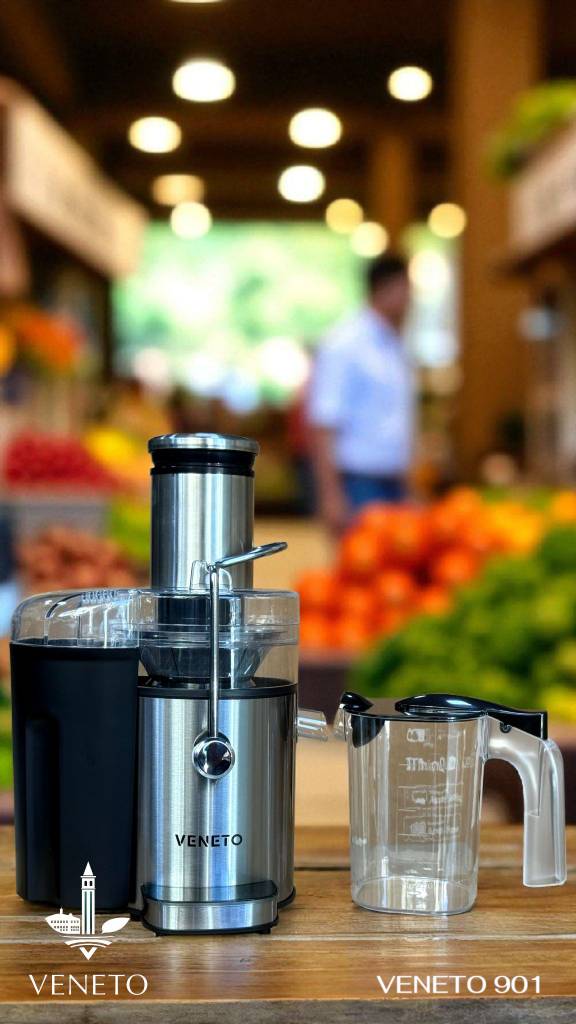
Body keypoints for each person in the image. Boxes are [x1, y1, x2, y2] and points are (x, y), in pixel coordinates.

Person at [307, 253, 414, 534]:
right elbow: (324, 422)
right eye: (407, 289)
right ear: (388, 287)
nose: (411, 299)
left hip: (393, 480)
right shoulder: (344, 343)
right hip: (357, 482)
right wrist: (330, 494)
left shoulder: (393, 343)